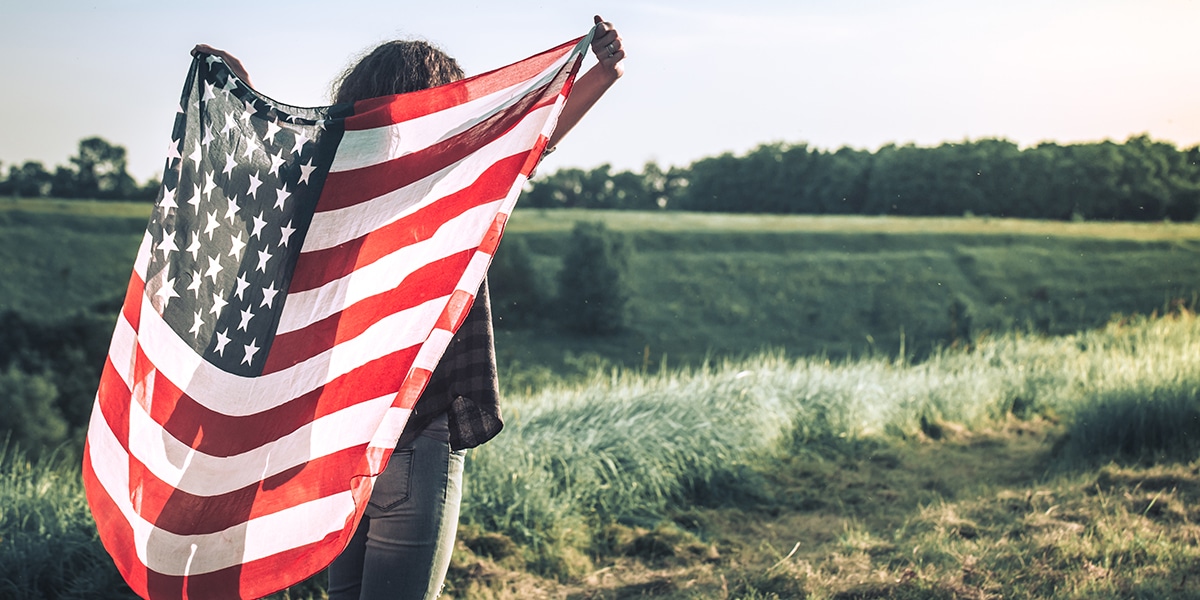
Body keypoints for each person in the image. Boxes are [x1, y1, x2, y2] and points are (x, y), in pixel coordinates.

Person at [194, 15, 624, 600]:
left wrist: (237, 94)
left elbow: (244, 174)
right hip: (415, 436)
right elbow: (538, 137)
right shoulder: (457, 182)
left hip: (329, 448)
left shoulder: (325, 191)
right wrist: (605, 71)